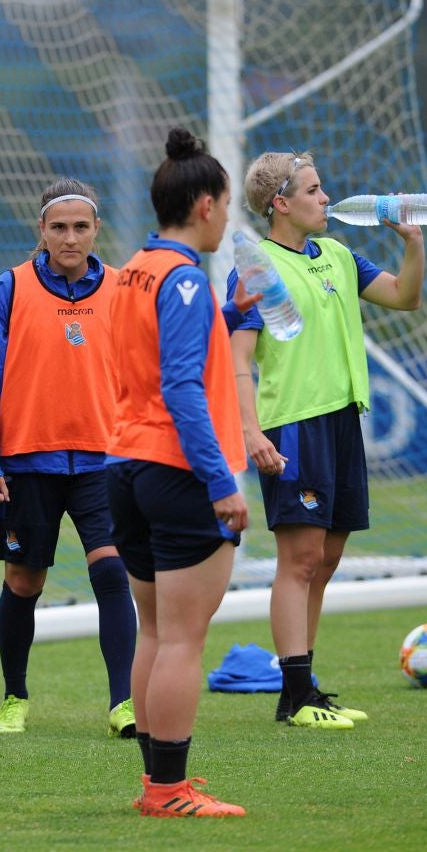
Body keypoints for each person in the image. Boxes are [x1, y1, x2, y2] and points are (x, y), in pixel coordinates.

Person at [228, 151, 424, 729]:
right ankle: (293, 696)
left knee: (328, 558)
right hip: (293, 423)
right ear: (281, 204)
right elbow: (237, 357)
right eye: (314, 190)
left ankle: (305, 684)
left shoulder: (337, 254)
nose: (326, 198)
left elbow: (404, 297)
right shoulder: (257, 266)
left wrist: (413, 243)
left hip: (342, 421)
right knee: (301, 558)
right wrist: (250, 430)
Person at [104, 127, 249, 817]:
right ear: (202, 205)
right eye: (223, 204)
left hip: (123, 464)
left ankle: (155, 785)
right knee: (184, 638)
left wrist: (226, 314)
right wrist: (221, 482)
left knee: (156, 633)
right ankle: (168, 791)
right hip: (176, 469)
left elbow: (149, 345)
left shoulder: (133, 269)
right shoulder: (185, 276)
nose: (224, 218)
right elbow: (183, 387)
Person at [0, 178, 137, 738]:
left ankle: (123, 703)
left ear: (96, 230)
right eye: (58, 227)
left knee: (112, 572)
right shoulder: (9, 289)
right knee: (24, 582)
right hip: (26, 465)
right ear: (40, 230)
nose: (70, 237)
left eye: (80, 226)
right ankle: (14, 696)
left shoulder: (119, 289)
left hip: (102, 464)